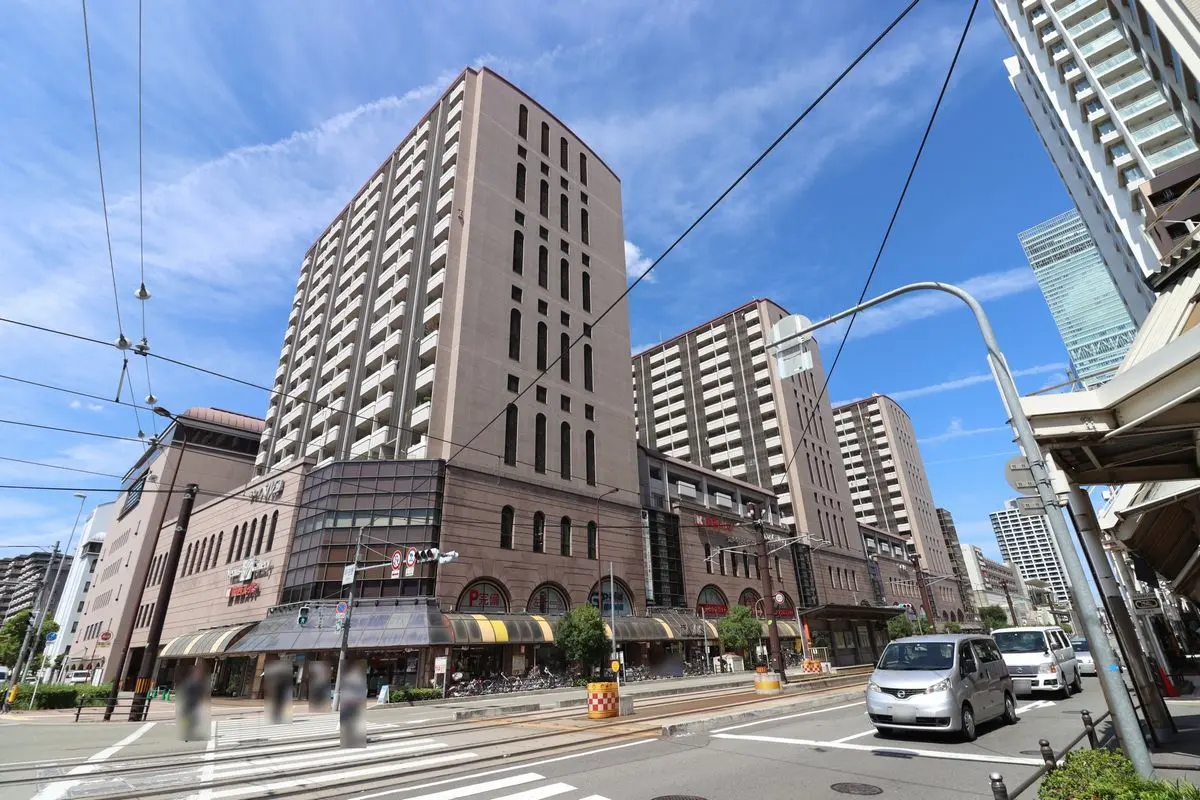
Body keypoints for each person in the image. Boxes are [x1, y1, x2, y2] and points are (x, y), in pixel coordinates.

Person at [177, 664, 209, 742]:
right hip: (189, 704)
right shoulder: (190, 682)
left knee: (193, 720)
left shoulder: (197, 683)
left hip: (193, 704)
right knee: (190, 720)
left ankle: (189, 733)